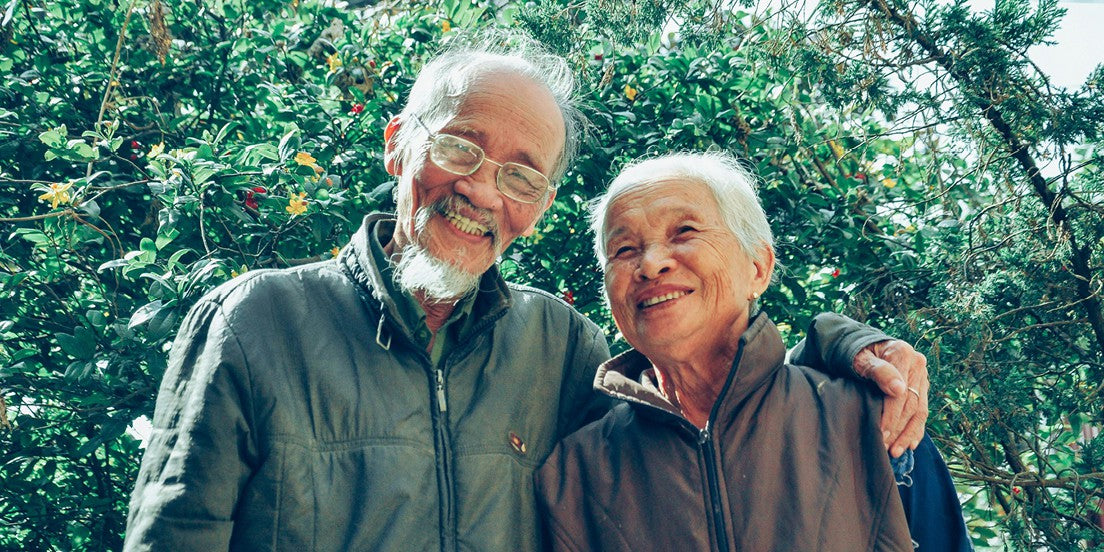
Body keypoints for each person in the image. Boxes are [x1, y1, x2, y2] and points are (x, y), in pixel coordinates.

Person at [124, 32, 931, 551]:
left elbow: (706, 417)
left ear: (539, 207)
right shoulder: (258, 321)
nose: (481, 191)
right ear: (398, 146)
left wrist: (843, 345)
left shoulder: (561, 346)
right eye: (461, 148)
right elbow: (174, 535)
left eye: (519, 174)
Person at [535, 152, 971, 551]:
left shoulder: (870, 419)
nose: (650, 264)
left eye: (684, 231)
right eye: (624, 250)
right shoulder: (575, 473)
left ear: (758, 268)